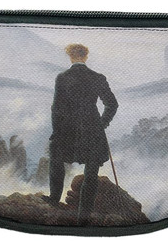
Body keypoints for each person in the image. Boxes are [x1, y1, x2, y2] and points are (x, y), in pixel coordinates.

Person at [44, 43, 118, 225]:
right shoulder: (98, 77)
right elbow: (112, 104)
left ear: (70, 57)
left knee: (56, 157)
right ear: (86, 57)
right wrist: (102, 124)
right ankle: (83, 217)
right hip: (92, 130)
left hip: (67, 130)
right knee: (91, 173)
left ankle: (54, 199)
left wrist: (56, 132)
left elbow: (56, 108)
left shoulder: (62, 77)